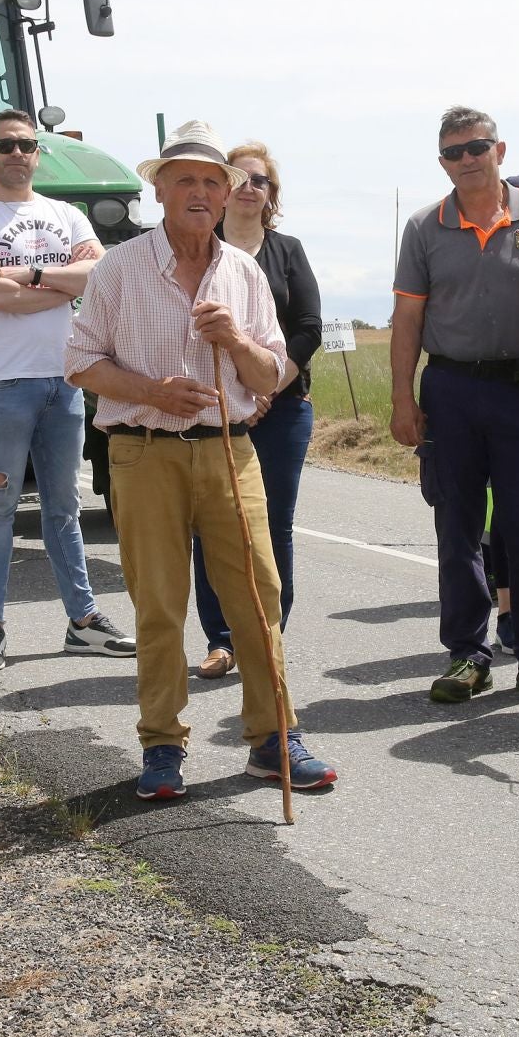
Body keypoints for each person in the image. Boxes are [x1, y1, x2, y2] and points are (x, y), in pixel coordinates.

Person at [64, 120, 336, 801]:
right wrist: (152, 392)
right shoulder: (120, 267)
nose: (199, 191)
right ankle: (161, 745)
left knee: (257, 596)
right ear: (158, 189)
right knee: (159, 606)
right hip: (142, 453)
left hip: (228, 449)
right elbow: (78, 363)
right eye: (184, 177)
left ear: (227, 197)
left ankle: (274, 738)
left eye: (212, 181)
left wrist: (236, 341)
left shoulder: (244, 273)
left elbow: (272, 373)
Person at [389, 107, 519, 706]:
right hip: (449, 391)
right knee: (458, 526)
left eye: (477, 147)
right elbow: (408, 319)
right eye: (453, 152)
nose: (467, 159)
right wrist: (401, 399)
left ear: (500, 151)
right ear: (442, 161)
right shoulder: (424, 226)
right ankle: (467, 656)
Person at [0, 109, 136, 673]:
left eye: (26, 144)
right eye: (4, 144)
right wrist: (60, 282)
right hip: (2, 382)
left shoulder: (66, 214)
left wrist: (25, 278)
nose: (15, 153)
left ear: (39, 153)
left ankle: (82, 622)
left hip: (66, 379)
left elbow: (102, 279)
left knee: (64, 508)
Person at [191, 141, 322, 681]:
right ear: (222, 189)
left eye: (259, 181)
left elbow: (308, 328)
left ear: (271, 195)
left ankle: (269, 633)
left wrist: (268, 386)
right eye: (239, 178)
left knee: (273, 526)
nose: (249, 188)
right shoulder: (199, 249)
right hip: (217, 410)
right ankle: (221, 639)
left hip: (282, 408)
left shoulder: (287, 251)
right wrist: (243, 393)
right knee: (213, 526)